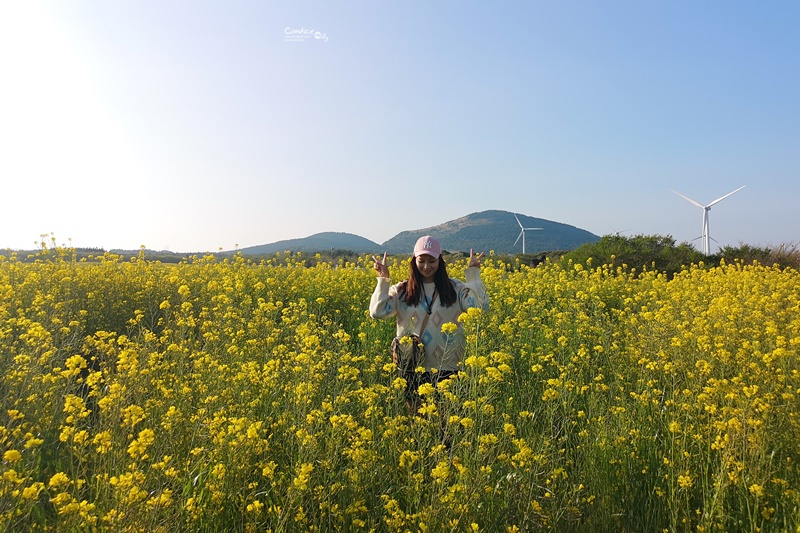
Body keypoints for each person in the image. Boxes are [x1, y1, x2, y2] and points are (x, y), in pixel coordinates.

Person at [370, 235, 489, 415]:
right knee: (418, 427)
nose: (426, 266)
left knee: (447, 427)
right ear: (414, 261)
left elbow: (480, 307)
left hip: (448, 367)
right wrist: (383, 280)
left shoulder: (455, 288)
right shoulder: (402, 290)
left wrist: (473, 274)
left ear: (440, 261)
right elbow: (377, 312)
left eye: (431, 261)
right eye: (422, 261)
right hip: (412, 367)